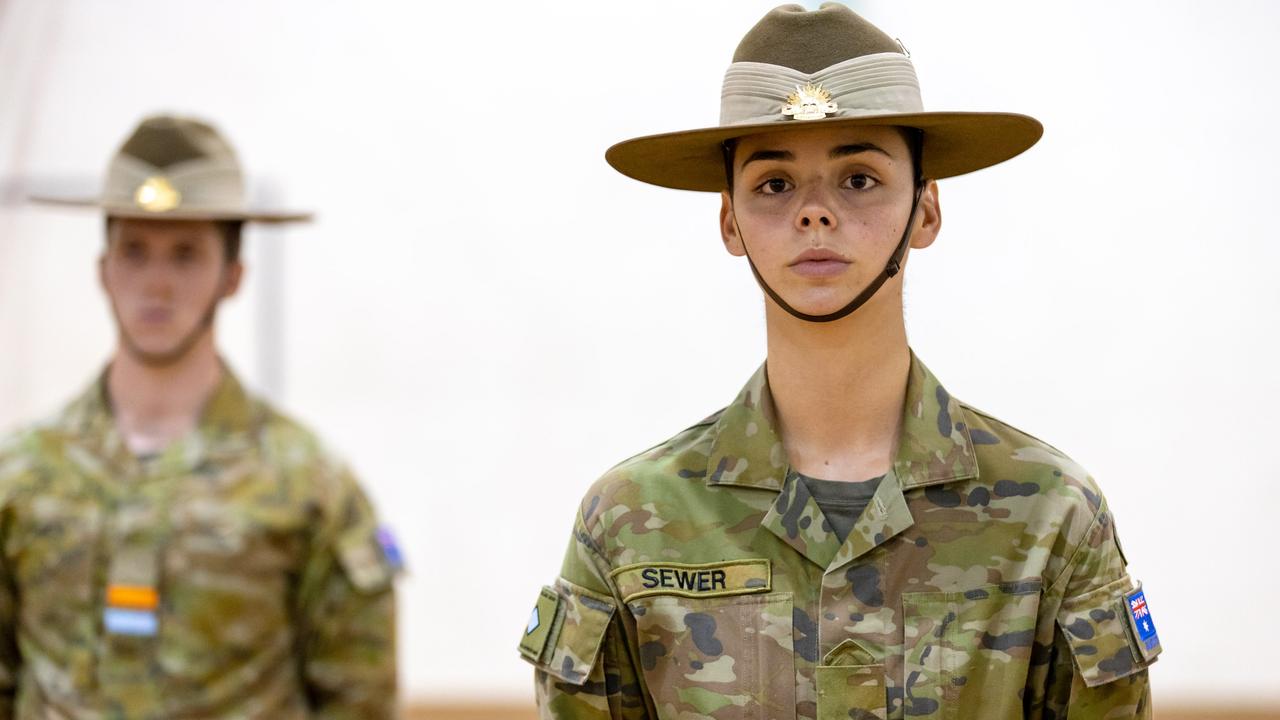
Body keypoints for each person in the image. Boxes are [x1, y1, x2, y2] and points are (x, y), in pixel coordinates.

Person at [518, 5, 1160, 719]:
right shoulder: (631, 521)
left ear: (925, 210)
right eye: (773, 184)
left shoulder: (1050, 515)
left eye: (858, 178)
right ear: (729, 220)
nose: (816, 213)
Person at [0, 114, 400, 718]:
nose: (156, 284)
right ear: (103, 271)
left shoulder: (309, 485)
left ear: (232, 276)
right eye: (134, 251)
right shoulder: (20, 476)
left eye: (186, 255)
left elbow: (359, 698)